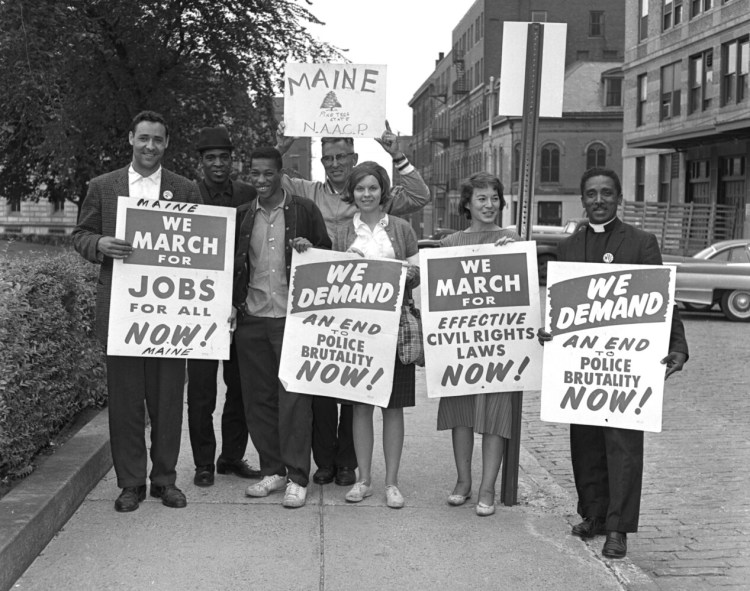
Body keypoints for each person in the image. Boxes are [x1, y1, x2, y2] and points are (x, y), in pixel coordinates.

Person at [538, 167, 688, 558]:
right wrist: (549, 333)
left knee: (622, 448)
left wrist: (678, 346)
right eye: (591, 194)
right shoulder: (569, 247)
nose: (599, 200)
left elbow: (663, 300)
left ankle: (618, 528)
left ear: (618, 198)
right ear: (582, 199)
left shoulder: (641, 243)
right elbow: (559, 308)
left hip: (627, 367)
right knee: (585, 443)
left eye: (606, 193)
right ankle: (593, 514)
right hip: (584, 366)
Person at [276, 122, 431, 488]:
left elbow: (421, 197)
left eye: (342, 155)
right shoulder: (308, 191)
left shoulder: (390, 210)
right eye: (328, 157)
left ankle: (352, 466)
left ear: (354, 157)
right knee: (331, 394)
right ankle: (328, 462)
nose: (335, 163)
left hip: (385, 319)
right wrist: (281, 145)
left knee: (375, 403)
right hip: (331, 309)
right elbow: (270, 179)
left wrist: (396, 153)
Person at [72, 110, 202, 512]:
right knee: (126, 404)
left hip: (171, 315)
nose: (150, 146)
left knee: (167, 403)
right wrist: (100, 245)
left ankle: (165, 480)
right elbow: (80, 235)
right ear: (131, 139)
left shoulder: (185, 188)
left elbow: (202, 248)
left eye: (158, 140)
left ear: (166, 143)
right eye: (143, 138)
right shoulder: (103, 186)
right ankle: (130, 483)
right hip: (122, 313)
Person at [232, 147, 331, 509]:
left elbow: (325, 253)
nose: (260, 180)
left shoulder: (304, 210)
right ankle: (272, 469)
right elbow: (231, 264)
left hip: (293, 319)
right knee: (258, 398)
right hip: (252, 318)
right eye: (254, 174)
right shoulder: (242, 216)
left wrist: (308, 248)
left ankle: (298, 476)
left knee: (294, 400)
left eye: (267, 174)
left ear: (280, 173)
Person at [336, 162, 420, 509]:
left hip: (396, 327)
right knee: (360, 407)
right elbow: (333, 280)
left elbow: (417, 275)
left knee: (393, 408)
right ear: (352, 193)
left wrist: (398, 272)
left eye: (372, 188)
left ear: (382, 191)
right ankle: (363, 479)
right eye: (360, 189)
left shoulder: (401, 229)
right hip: (359, 329)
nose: (366, 195)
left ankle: (392, 482)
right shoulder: (343, 233)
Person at [436, 173, 520, 517]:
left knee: (496, 417)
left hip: (498, 345)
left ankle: (488, 488)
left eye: (494, 198)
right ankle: (463, 481)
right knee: (462, 415)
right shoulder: (450, 244)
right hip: (461, 344)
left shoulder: (512, 239)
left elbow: (520, 292)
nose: (489, 205)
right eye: (481, 198)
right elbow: (440, 294)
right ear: (467, 203)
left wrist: (511, 254)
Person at [187, 126, 260, 487]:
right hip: (197, 308)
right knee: (201, 392)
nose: (218, 164)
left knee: (240, 388)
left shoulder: (248, 194)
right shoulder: (185, 194)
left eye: (224, 157)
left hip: (240, 307)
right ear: (200, 162)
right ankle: (203, 462)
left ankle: (231, 456)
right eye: (210, 158)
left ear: (233, 159)